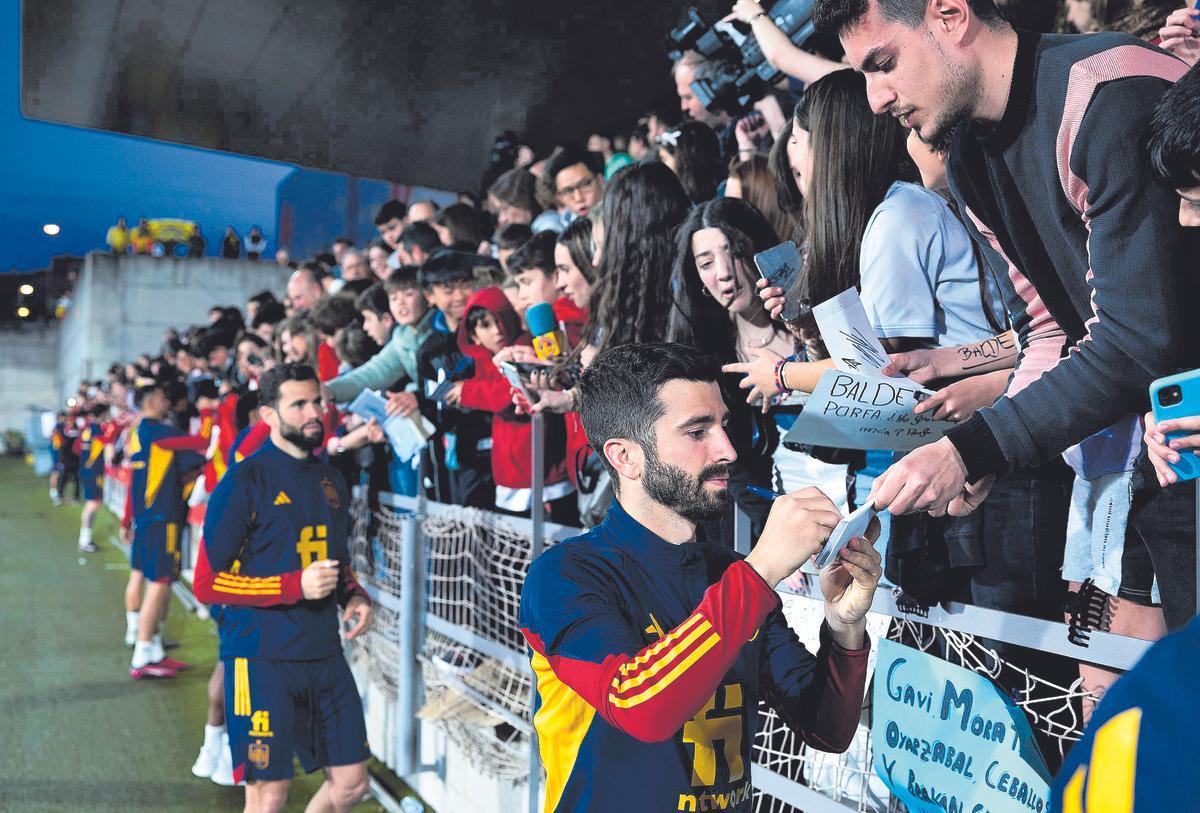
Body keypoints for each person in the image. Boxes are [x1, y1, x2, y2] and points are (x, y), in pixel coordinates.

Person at [816, 0, 1198, 627]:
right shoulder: (969, 157)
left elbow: (1134, 342)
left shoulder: (1107, 99)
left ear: (949, 15)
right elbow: (1047, 328)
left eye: (883, 64)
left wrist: (975, 448)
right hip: (1161, 455)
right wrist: (988, 447)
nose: (876, 100)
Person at [519, 342, 880, 812]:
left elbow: (826, 730)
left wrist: (844, 628)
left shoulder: (731, 574)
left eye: (724, 426)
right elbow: (639, 707)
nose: (727, 450)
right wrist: (762, 568)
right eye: (697, 431)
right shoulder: (566, 574)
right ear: (625, 456)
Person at [194, 364, 372, 810]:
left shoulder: (331, 479)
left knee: (352, 784)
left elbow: (336, 559)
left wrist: (353, 594)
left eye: (317, 402)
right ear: (269, 416)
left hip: (323, 652)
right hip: (259, 658)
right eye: (299, 405)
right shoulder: (243, 482)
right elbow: (207, 583)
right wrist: (293, 585)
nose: (314, 413)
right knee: (269, 795)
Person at [455, 287, 575, 521]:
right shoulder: (480, 362)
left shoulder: (526, 348)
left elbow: (506, 395)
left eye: (499, 320)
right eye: (485, 325)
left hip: (545, 466)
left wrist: (466, 391)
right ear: (473, 335)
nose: (497, 330)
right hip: (511, 471)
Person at [124, 380, 207, 678]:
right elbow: (201, 444)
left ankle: (152, 647)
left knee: (154, 580)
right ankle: (142, 655)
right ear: (150, 401)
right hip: (162, 519)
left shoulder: (138, 433)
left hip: (147, 518)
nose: (166, 401)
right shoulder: (158, 432)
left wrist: (127, 518)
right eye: (161, 397)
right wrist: (209, 415)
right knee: (159, 582)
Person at [657, 121, 727, 203]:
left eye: (664, 159)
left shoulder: (725, 191)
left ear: (684, 160)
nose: (662, 165)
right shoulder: (681, 198)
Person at [76, 403, 114, 553]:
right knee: (92, 504)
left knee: (92, 504)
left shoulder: (88, 429)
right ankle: (84, 540)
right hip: (93, 473)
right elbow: (109, 452)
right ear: (103, 414)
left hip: (87, 470)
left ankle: (85, 539)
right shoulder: (98, 431)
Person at [542, 144, 606, 222]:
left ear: (600, 180)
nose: (579, 198)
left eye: (585, 185)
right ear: (559, 197)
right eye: (568, 191)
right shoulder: (563, 225)